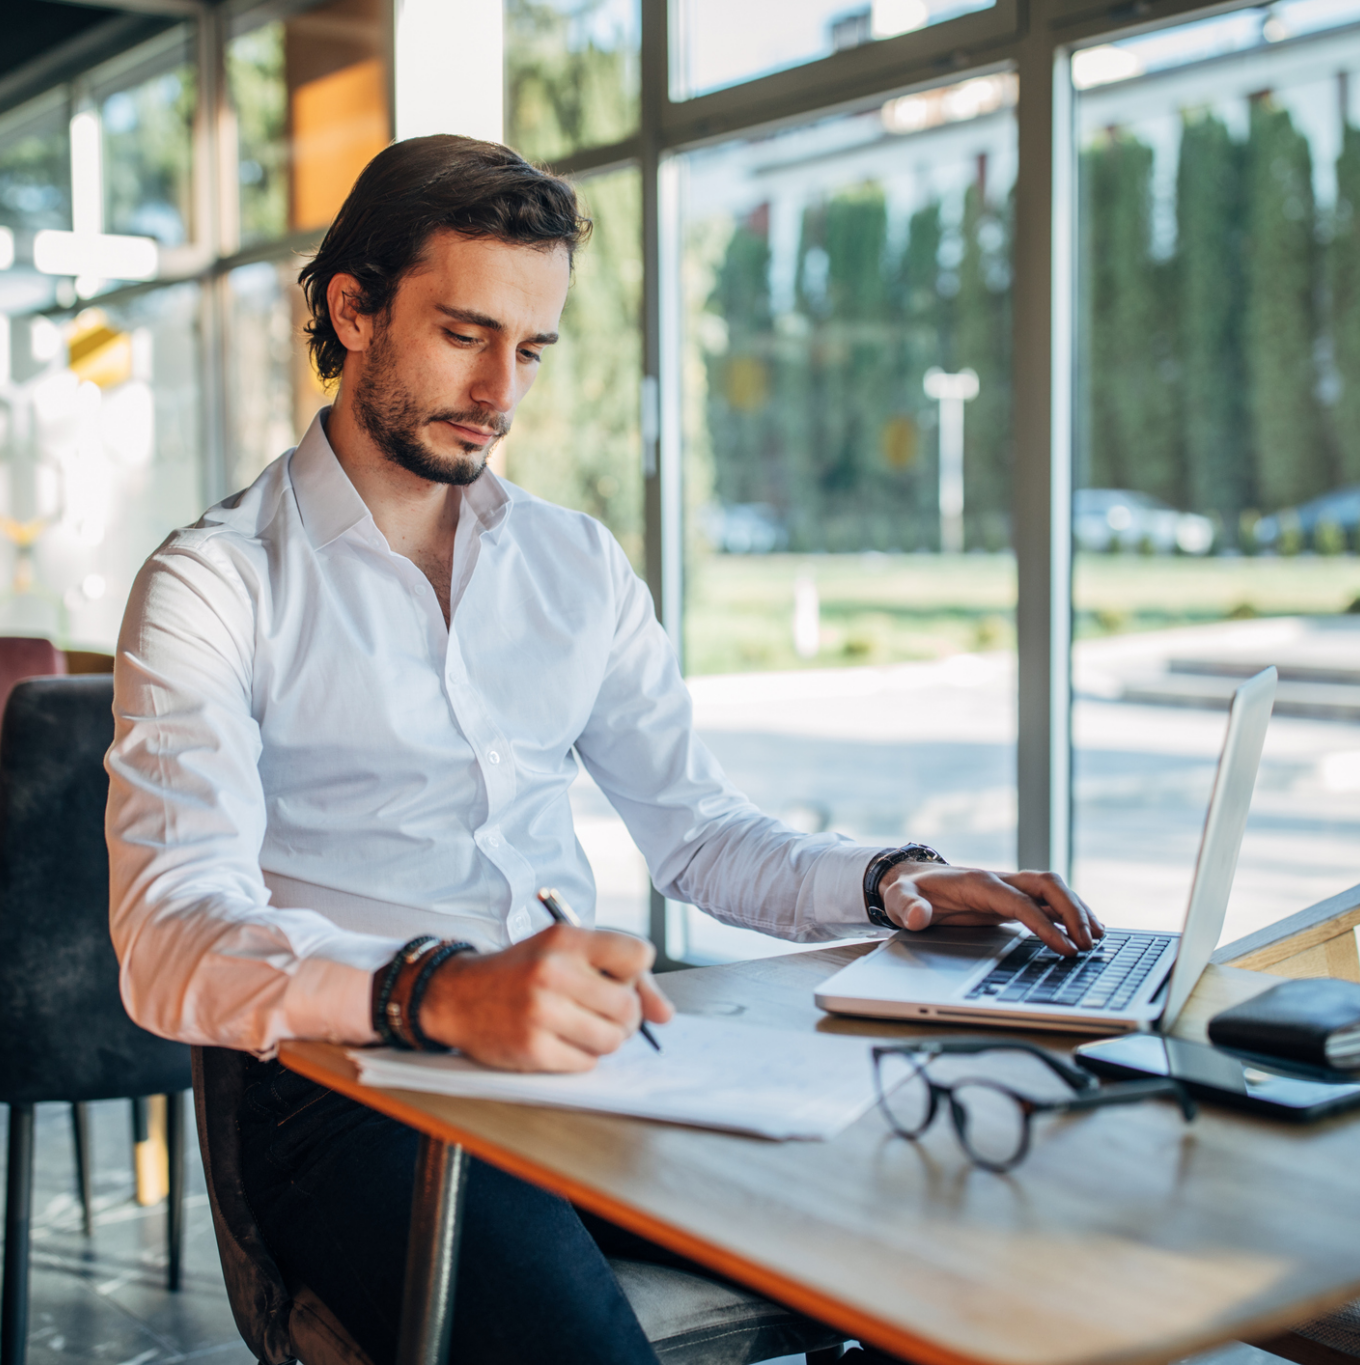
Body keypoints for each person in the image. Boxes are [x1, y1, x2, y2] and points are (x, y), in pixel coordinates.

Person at [105, 134, 1101, 1365]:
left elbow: (697, 831)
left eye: (531, 349)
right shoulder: (213, 584)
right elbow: (169, 934)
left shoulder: (572, 563)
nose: (500, 391)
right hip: (354, 1093)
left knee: (949, 1255)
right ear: (353, 310)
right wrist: (438, 990)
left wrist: (894, 881)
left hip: (588, 1065)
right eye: (465, 334)